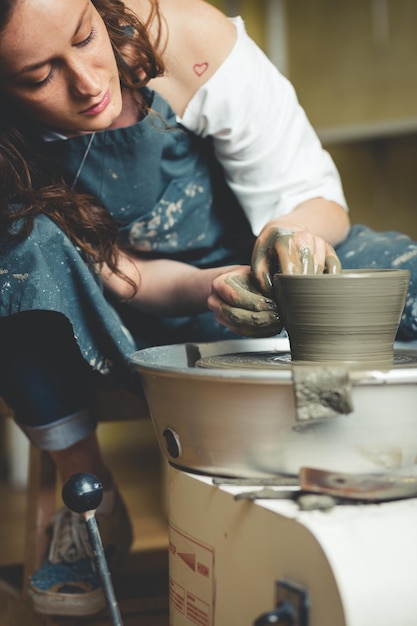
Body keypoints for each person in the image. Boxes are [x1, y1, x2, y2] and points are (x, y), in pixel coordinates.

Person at [1, 0, 417, 617]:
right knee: (12, 253)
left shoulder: (184, 36)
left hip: (276, 257)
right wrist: (206, 286)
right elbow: (127, 276)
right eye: (40, 76)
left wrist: (291, 235)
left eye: (86, 38)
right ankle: (89, 498)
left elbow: (309, 194)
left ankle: (357, 458)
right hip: (143, 312)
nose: (88, 83)